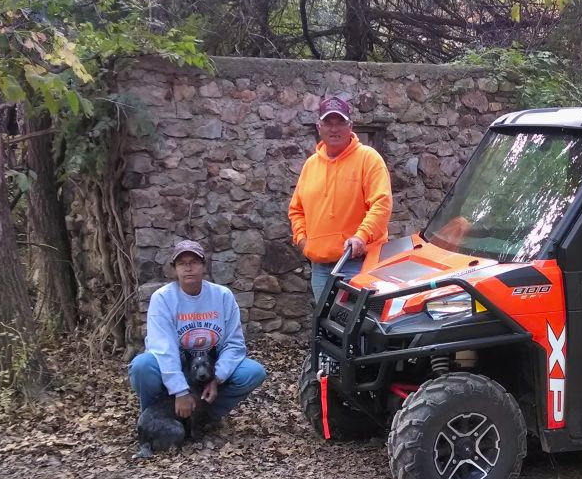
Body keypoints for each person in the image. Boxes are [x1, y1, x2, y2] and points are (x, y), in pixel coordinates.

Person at [128, 240, 267, 429]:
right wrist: (179, 390)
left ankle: (205, 416)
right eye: (182, 263)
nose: (188, 268)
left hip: (208, 366)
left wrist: (216, 378)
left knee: (253, 372)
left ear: (203, 266)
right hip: (177, 364)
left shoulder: (223, 296)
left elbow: (234, 344)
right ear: (174, 269)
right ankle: (154, 421)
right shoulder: (162, 298)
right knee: (142, 366)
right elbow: (163, 348)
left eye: (194, 262)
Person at [288, 95, 392, 302]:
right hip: (319, 267)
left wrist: (361, 237)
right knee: (326, 329)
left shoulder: (368, 158)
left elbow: (381, 204)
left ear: (350, 126)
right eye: (328, 123)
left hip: (357, 263)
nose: (334, 129)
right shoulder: (311, 165)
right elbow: (296, 210)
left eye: (340, 123)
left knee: (356, 329)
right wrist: (302, 241)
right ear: (319, 127)